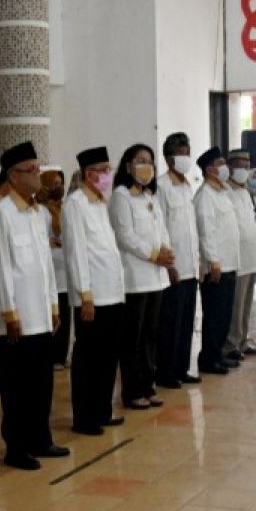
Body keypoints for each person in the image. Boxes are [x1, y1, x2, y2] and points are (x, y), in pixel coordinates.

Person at [0, 141, 69, 469]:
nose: (38, 176)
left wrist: (53, 305)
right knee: (15, 387)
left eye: (38, 169)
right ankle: (17, 447)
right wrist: (8, 312)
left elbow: (45, 265)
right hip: (16, 316)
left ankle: (41, 438)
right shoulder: (0, 213)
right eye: (31, 171)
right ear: (13, 176)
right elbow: (1, 266)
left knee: (41, 383)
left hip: (41, 315)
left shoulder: (38, 214)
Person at [63, 146, 128, 431]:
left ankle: (102, 410)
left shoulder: (100, 203)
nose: (108, 175)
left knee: (108, 356)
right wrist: (84, 294)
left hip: (112, 293)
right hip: (92, 297)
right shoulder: (75, 204)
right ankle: (84, 416)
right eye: (103, 170)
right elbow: (77, 251)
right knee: (89, 357)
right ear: (89, 174)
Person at [110, 144, 175, 410]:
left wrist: (168, 255)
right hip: (135, 278)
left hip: (156, 277)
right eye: (140, 161)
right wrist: (153, 254)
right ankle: (132, 390)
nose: (146, 165)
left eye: (149, 161)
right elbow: (125, 236)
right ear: (128, 167)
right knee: (133, 338)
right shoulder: (121, 196)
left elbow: (162, 230)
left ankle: (149, 385)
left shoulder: (150, 196)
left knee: (151, 334)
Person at [155, 133, 201, 389]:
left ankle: (182, 367)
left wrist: (197, 262)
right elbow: (161, 229)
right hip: (173, 267)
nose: (186, 157)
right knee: (170, 323)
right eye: (181, 153)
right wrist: (170, 265)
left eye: (187, 151)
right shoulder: (162, 186)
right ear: (170, 157)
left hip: (190, 266)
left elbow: (190, 228)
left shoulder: (186, 186)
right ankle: (165, 371)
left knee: (187, 321)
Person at [194, 147, 240, 376]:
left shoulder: (223, 193)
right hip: (217, 266)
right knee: (213, 315)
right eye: (221, 163)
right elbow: (206, 233)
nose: (225, 167)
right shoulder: (204, 196)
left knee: (224, 315)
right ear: (209, 169)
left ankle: (218, 354)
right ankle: (209, 358)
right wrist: (213, 262)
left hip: (230, 263)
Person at [223, 150, 256, 361]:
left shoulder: (245, 192)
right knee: (235, 305)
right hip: (237, 258)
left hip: (251, 257)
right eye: (238, 164)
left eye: (246, 165)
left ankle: (243, 339)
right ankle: (231, 344)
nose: (243, 169)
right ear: (229, 167)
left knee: (247, 303)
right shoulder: (225, 192)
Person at [38, 167, 71, 369]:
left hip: (63, 270)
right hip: (50, 269)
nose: (59, 188)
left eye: (61, 184)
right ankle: (51, 356)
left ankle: (61, 355)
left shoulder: (64, 208)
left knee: (65, 317)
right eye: (55, 184)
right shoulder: (40, 210)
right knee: (53, 315)